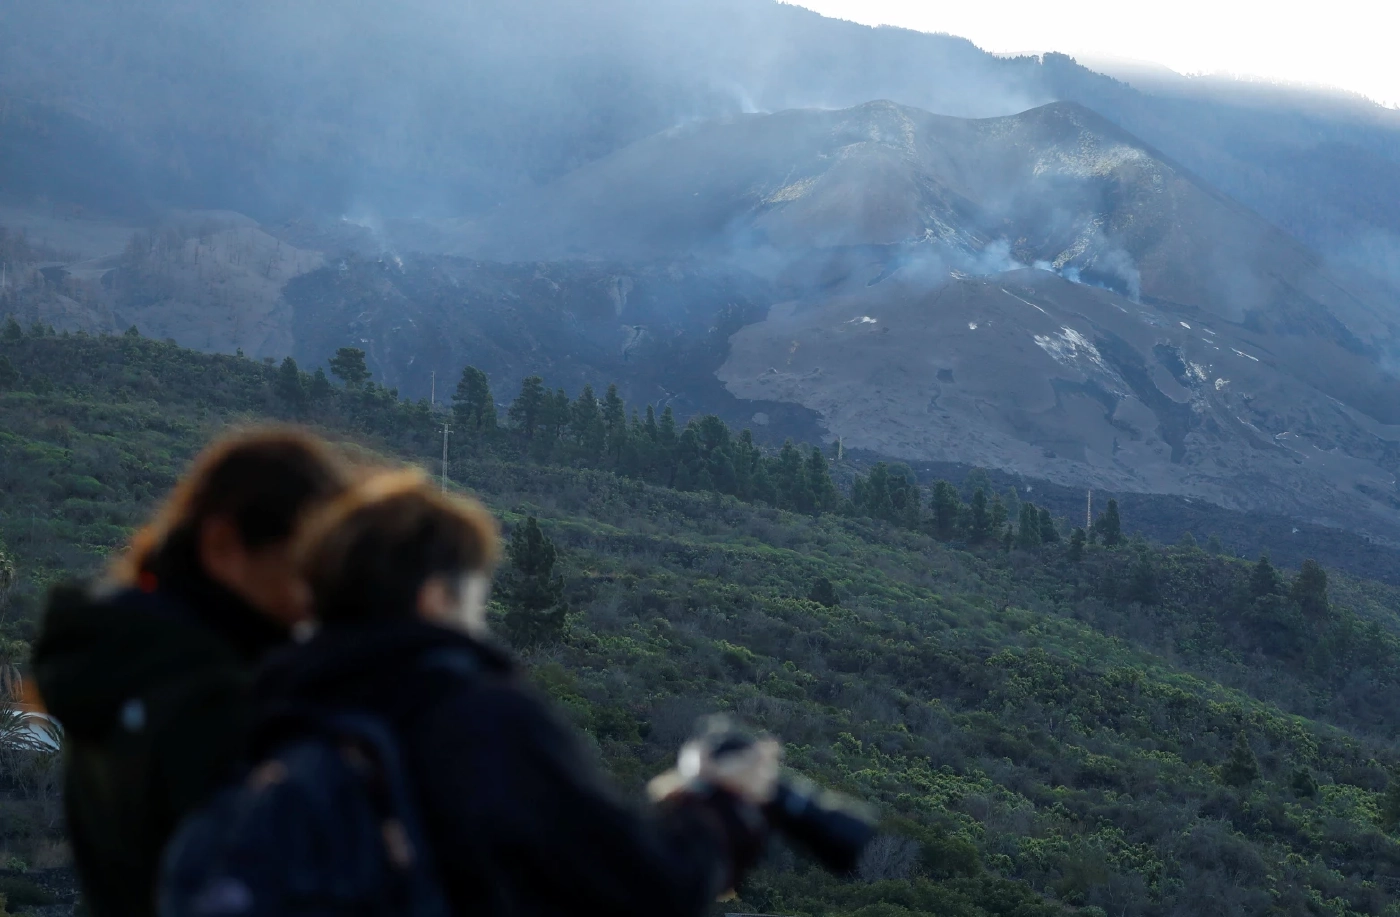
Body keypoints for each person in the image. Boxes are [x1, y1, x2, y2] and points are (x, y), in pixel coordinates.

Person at [255, 470, 778, 916]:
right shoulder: (478, 718)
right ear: (437, 597)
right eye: (476, 600)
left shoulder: (267, 705)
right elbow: (644, 885)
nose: (479, 625)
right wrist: (717, 815)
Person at [31, 427, 352, 917]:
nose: (318, 595)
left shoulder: (122, 659)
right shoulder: (210, 694)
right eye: (304, 566)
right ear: (223, 546)